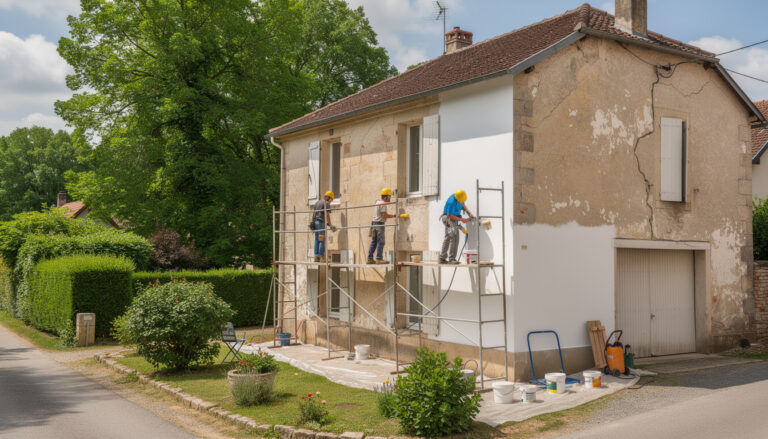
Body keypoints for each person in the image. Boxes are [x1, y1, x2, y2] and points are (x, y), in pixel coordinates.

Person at [440, 189, 473, 264]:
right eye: (461, 201)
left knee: (448, 237)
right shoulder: (451, 202)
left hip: (453, 218)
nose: (462, 202)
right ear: (457, 199)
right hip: (448, 219)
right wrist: (462, 219)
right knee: (454, 237)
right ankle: (451, 259)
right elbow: (450, 215)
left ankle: (442, 258)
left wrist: (468, 212)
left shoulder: (460, 197)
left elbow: (463, 204)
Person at [367, 188, 396, 264]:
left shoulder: (377, 202)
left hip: (374, 224)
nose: (390, 198)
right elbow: (384, 215)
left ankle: (370, 258)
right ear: (385, 197)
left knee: (374, 241)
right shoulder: (383, 203)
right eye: (389, 197)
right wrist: (393, 216)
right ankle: (379, 258)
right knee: (381, 242)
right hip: (379, 224)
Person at [312, 191, 336, 262]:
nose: (331, 202)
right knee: (321, 239)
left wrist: (313, 223)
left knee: (316, 239)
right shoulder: (326, 203)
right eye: (331, 200)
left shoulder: (317, 202)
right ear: (329, 198)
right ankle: (322, 257)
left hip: (315, 222)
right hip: (321, 222)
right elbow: (327, 215)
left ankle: (316, 257)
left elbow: (314, 214)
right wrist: (330, 225)